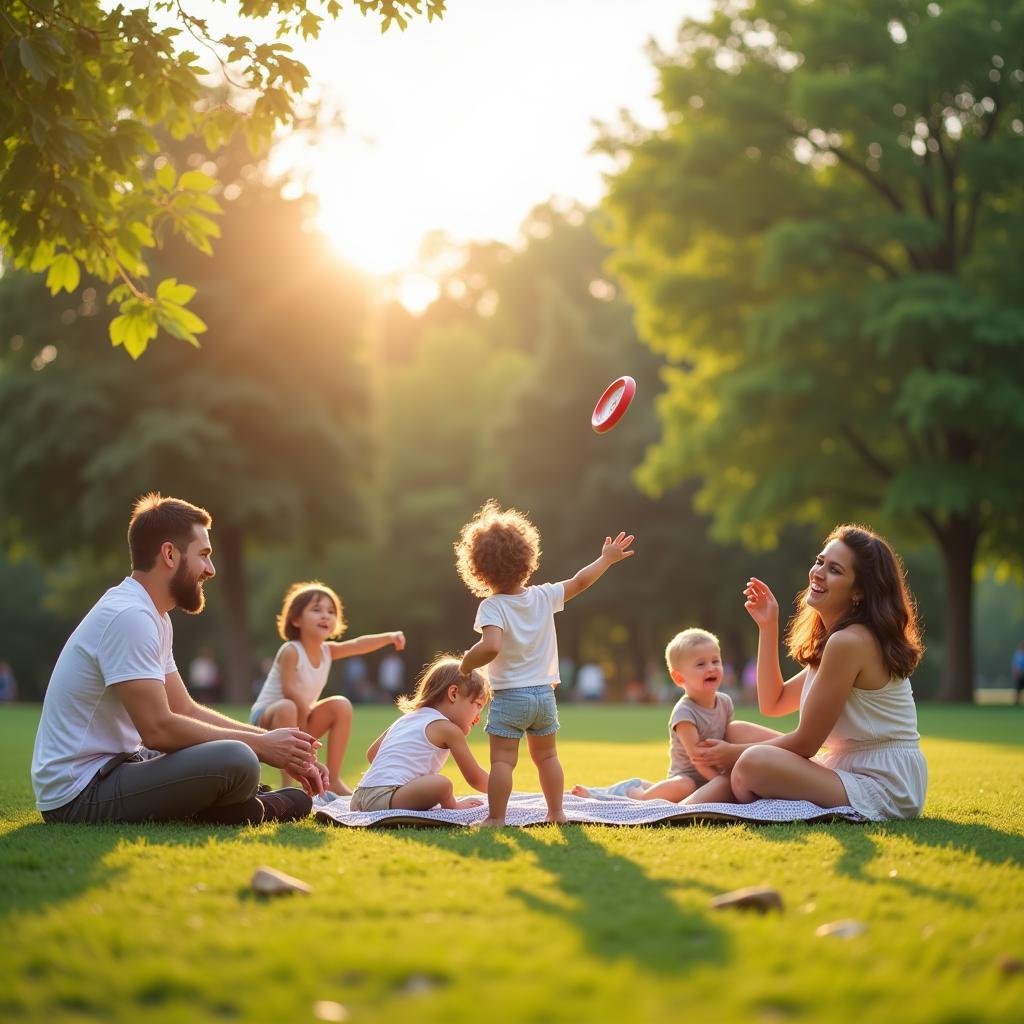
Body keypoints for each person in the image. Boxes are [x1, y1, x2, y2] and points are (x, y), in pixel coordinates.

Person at [31, 493, 326, 825]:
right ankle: (253, 807)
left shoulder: (154, 616)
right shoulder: (129, 617)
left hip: (122, 764)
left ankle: (241, 803)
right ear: (169, 554)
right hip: (80, 793)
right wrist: (261, 746)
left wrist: (278, 746)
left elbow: (184, 710)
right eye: (204, 555)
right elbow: (158, 729)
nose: (211, 570)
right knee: (237, 758)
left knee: (231, 753)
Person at [684, 524, 928, 820]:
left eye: (835, 570)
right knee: (735, 732)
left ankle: (704, 799)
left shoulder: (849, 642)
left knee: (750, 762)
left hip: (883, 781)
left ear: (858, 592)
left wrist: (732, 755)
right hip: (845, 765)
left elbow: (806, 743)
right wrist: (767, 626)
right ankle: (705, 798)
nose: (818, 573)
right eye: (820, 561)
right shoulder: (834, 640)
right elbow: (773, 703)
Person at [455, 500, 635, 826]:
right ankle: (557, 813)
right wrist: (606, 559)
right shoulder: (543, 596)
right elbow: (580, 581)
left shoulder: (492, 607)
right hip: (544, 696)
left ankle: (495, 818)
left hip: (510, 697)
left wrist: (467, 663)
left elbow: (491, 646)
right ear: (527, 559)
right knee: (548, 757)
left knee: (502, 762)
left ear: (478, 569)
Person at [570, 628, 775, 802]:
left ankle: (644, 787)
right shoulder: (684, 712)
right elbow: (698, 759)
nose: (711, 668)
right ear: (679, 677)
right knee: (684, 786)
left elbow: (727, 737)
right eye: (701, 664)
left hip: (711, 774)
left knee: (717, 783)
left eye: (716, 661)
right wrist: (720, 780)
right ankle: (630, 795)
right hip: (687, 775)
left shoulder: (724, 702)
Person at [250, 581, 405, 796]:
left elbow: (358, 645)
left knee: (341, 705)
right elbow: (289, 691)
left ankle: (332, 779)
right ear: (296, 619)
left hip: (301, 718)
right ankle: (287, 784)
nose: (325, 616)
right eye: (316, 610)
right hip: (268, 721)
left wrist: (389, 637)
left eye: (331, 612)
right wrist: (303, 722)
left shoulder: (327, 651)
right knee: (288, 706)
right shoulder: (291, 650)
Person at [351, 656, 489, 812]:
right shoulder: (449, 730)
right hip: (385, 797)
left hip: (359, 796)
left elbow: (372, 754)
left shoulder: (407, 719)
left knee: (435, 783)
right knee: (443, 785)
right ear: (454, 694)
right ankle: (452, 807)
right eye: (478, 705)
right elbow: (475, 778)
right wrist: (502, 788)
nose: (478, 717)